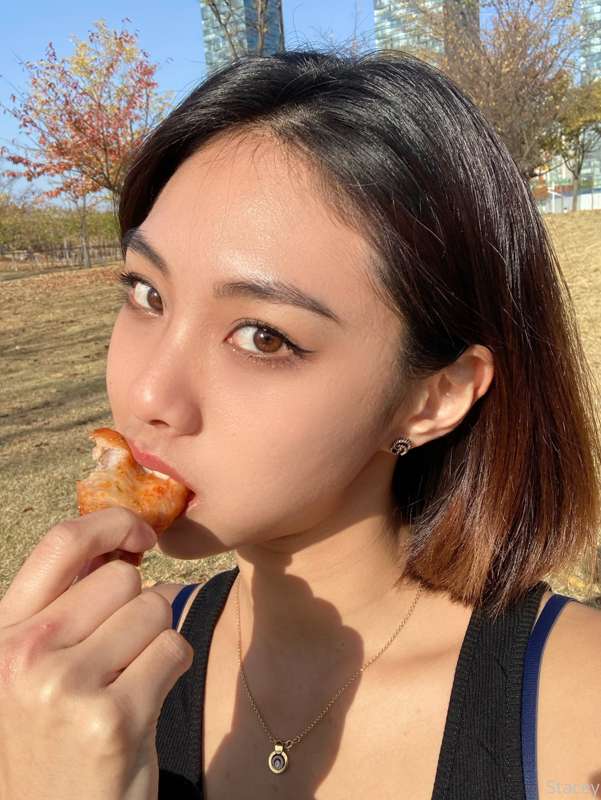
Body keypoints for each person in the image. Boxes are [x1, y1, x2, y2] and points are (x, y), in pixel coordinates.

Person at [1, 49, 600, 800]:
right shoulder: (81, 687)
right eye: (146, 293)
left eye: (263, 337)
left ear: (434, 398)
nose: (149, 392)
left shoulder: (577, 717)